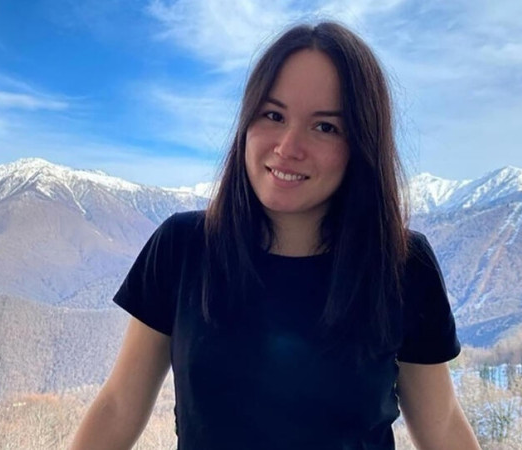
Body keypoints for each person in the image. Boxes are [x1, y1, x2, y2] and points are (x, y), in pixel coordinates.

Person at [70, 21, 480, 450]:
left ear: (362, 143)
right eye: (273, 115)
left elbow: (442, 427)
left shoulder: (402, 264)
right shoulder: (183, 246)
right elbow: (119, 406)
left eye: (325, 127)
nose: (287, 147)